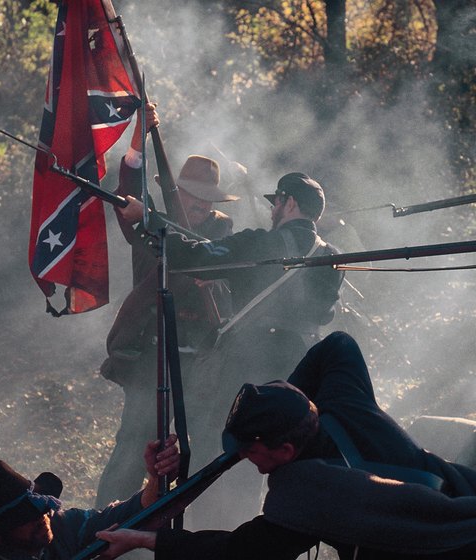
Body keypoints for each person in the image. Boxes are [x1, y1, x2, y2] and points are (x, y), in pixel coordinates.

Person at [93, 332, 476, 560]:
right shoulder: (342, 405)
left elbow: (239, 553)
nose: (243, 456)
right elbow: (338, 345)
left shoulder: (306, 495)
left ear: (286, 452)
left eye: (251, 449)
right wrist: (284, 401)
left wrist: (143, 539)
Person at [117, 171, 344, 528]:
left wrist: (147, 219)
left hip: (244, 372)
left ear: (291, 203)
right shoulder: (331, 259)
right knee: (265, 465)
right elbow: (322, 312)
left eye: (278, 201)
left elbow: (195, 255)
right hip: (295, 380)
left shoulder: (263, 244)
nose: (273, 210)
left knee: (217, 456)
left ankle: (205, 537)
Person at [97, 102, 238, 508]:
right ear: (179, 194)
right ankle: (105, 527)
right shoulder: (149, 225)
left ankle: (173, 530)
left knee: (194, 451)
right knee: (133, 447)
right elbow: (127, 195)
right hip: (152, 358)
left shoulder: (219, 235)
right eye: (194, 199)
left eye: (207, 201)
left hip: (202, 363)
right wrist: (139, 137)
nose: (201, 207)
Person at [0, 435, 179, 560]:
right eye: (23, 518)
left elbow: (137, 511)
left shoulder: (62, 525)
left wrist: (157, 477)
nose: (41, 516)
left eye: (37, 508)